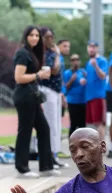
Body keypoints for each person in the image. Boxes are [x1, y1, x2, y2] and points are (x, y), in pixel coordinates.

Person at [12, 25, 60, 178]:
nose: (34, 38)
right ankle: (22, 168)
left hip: (33, 96)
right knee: (25, 131)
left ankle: (46, 166)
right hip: (24, 96)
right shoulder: (22, 53)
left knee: (44, 129)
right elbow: (19, 78)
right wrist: (38, 75)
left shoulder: (32, 53)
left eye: (37, 36)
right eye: (31, 35)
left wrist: (40, 75)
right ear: (26, 36)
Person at [39, 27, 68, 169]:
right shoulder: (44, 54)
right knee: (50, 125)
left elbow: (60, 74)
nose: (50, 39)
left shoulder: (51, 52)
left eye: (52, 36)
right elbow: (53, 71)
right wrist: (57, 55)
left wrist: (62, 92)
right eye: (47, 37)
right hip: (47, 90)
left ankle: (54, 155)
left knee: (57, 125)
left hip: (56, 91)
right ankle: (49, 157)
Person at [85, 41, 108, 140]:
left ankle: (101, 147)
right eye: (89, 47)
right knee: (90, 124)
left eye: (93, 47)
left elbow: (103, 76)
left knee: (99, 123)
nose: (91, 49)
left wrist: (96, 66)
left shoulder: (102, 60)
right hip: (89, 97)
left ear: (97, 49)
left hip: (98, 96)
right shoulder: (88, 63)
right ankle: (93, 147)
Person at [63, 54, 87, 137]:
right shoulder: (67, 73)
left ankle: (83, 142)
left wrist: (87, 77)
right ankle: (72, 142)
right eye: (73, 60)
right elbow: (66, 87)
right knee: (73, 123)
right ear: (71, 62)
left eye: (77, 60)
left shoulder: (83, 72)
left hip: (83, 101)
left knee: (83, 124)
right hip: (72, 101)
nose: (75, 62)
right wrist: (71, 80)